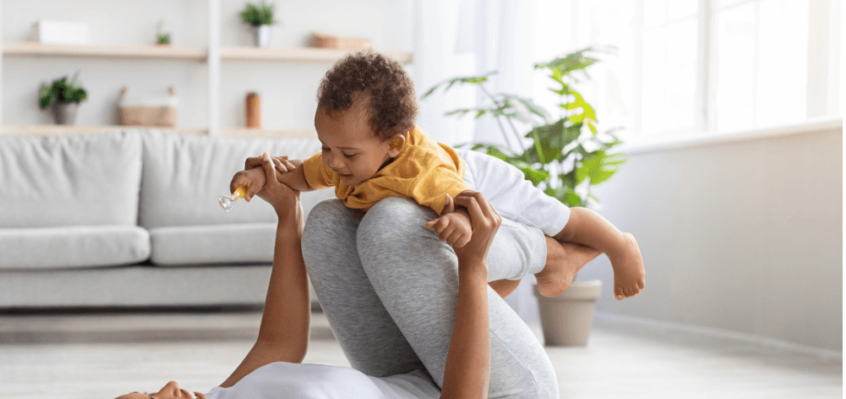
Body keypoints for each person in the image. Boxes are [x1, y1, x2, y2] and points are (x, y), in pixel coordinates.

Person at [52, 152, 565, 399]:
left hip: (418, 380)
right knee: (390, 228)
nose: (171, 386)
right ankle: (555, 252)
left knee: (326, 227)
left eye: (153, 391)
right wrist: (472, 268)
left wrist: (286, 213)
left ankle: (510, 274)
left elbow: (280, 342)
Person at [229, 51, 645, 301]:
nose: (333, 163)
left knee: (557, 218)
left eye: (347, 153)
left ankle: (617, 244)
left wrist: (459, 219)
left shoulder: (420, 171)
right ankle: (543, 269)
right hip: (450, 184)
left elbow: (464, 199)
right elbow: (302, 177)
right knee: (470, 294)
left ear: (393, 144)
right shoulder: (343, 160)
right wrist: (266, 177)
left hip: (478, 178)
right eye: (325, 147)